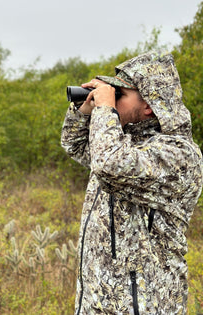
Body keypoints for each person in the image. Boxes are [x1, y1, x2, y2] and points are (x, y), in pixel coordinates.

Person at [61, 51, 203, 315]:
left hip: (145, 306)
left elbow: (109, 166)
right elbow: (75, 144)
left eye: (120, 95)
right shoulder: (120, 140)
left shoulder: (179, 154)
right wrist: (85, 110)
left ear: (150, 106)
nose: (112, 100)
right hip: (99, 301)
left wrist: (105, 109)